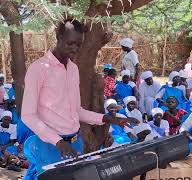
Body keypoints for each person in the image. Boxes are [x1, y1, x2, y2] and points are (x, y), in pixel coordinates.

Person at [21, 19, 139, 179]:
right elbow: (28, 116)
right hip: (50, 146)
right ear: (58, 37)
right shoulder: (38, 69)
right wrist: (58, 142)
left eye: (79, 44)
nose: (75, 48)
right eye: (70, 43)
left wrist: (108, 118)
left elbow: (77, 111)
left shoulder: (73, 69)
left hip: (75, 143)